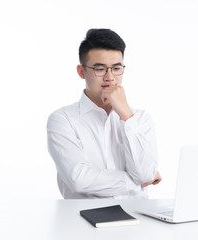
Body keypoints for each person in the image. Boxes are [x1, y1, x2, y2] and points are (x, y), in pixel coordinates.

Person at [47, 28, 162, 199]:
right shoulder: (63, 120)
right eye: (99, 69)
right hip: (82, 221)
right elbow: (79, 179)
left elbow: (145, 174)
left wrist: (125, 115)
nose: (110, 77)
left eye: (116, 68)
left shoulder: (140, 119)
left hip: (137, 220)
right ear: (81, 71)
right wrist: (134, 184)